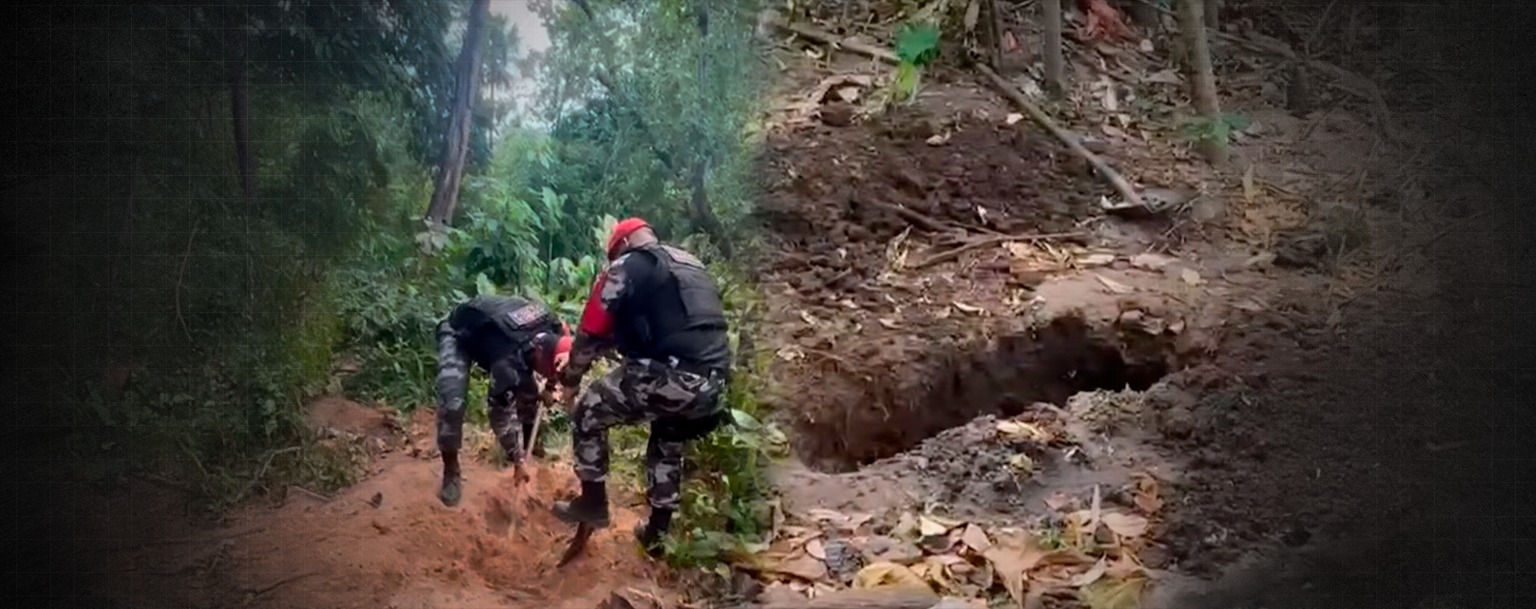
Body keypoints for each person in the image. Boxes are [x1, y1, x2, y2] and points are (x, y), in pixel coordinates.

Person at [553, 218, 733, 556]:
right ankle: (657, 536)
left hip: (671, 376)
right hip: (714, 384)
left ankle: (593, 503)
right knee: (668, 437)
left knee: (588, 412)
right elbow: (669, 330)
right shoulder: (690, 265)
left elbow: (591, 330)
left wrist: (571, 379)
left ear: (621, 245)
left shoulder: (627, 264)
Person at [433, 294, 572, 507]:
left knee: (528, 390)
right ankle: (451, 468)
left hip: (495, 331)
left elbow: (562, 358)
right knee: (452, 403)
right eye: (550, 370)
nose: (552, 375)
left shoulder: (554, 327)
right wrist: (517, 460)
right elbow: (499, 415)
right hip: (459, 332)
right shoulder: (508, 362)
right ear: (540, 354)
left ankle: (530, 444)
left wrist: (551, 385)